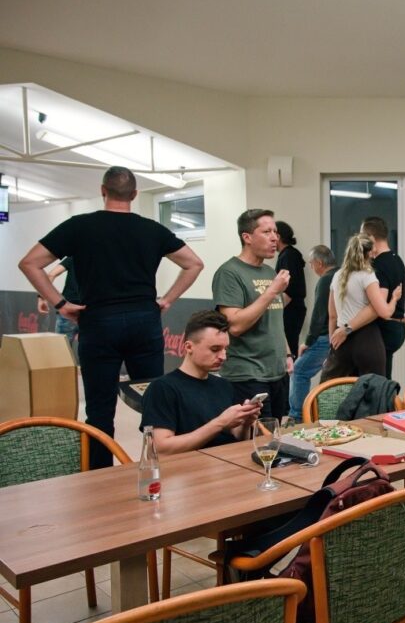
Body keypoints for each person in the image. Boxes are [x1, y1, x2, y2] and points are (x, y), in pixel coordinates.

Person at [18, 166, 203, 469]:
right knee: (153, 404)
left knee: (99, 411)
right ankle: (155, 470)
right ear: (134, 194)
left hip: (98, 322)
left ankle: (99, 478)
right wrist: (167, 299)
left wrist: (60, 303)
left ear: (103, 191)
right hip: (145, 321)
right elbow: (194, 263)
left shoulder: (79, 226)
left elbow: (30, 263)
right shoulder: (152, 229)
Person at [141, 310, 262, 454]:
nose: (223, 356)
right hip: (189, 465)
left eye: (225, 349)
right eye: (215, 349)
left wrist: (245, 423)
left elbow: (237, 439)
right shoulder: (162, 388)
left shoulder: (224, 385)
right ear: (188, 347)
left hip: (228, 461)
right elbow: (160, 449)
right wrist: (220, 423)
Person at [212, 209, 292, 420]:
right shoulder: (229, 272)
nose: (274, 238)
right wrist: (272, 291)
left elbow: (275, 320)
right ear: (247, 237)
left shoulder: (269, 272)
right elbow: (235, 326)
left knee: (275, 434)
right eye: (266, 232)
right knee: (257, 437)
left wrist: (287, 354)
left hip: (277, 372)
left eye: (275, 231)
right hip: (247, 375)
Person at [322, 233, 402, 380]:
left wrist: (333, 346)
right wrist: (394, 298)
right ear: (369, 254)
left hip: (341, 340)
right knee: (374, 387)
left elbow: (332, 316)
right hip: (366, 339)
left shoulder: (337, 275)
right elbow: (384, 312)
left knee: (330, 388)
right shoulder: (367, 276)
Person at [287, 245, 338, 420]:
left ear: (319, 263)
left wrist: (308, 341)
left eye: (311, 263)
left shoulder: (325, 280)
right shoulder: (341, 275)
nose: (311, 267)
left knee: (298, 371)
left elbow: (319, 315)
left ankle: (297, 417)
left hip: (324, 337)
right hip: (340, 335)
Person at [361, 217, 405, 379]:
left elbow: (378, 305)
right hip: (398, 326)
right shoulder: (396, 259)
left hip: (385, 328)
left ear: (371, 238)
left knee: (378, 379)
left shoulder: (380, 264)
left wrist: (349, 327)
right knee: (384, 376)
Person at [274, 221, 307, 358]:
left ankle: (289, 370)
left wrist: (276, 310)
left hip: (291, 309)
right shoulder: (289, 254)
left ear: (278, 236)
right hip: (294, 308)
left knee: (289, 347)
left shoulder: (288, 256)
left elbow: (290, 288)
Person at [36, 257, 80, 348]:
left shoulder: (73, 256)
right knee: (93, 352)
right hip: (93, 310)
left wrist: (42, 298)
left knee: (61, 349)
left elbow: (51, 274)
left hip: (68, 310)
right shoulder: (104, 258)